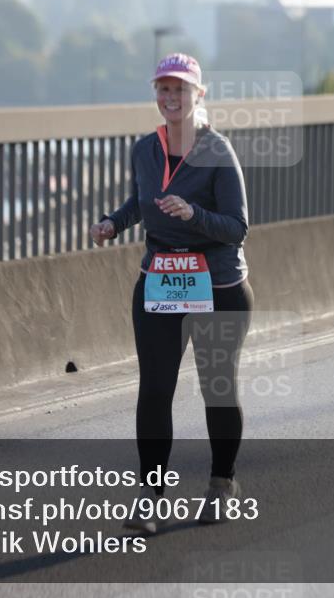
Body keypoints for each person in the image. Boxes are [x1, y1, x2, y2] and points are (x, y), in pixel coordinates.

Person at [89, 53, 252, 533]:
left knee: (216, 390)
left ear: (198, 96)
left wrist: (193, 215)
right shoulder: (144, 149)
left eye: (180, 90)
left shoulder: (218, 151)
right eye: (163, 89)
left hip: (217, 284)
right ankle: (150, 496)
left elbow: (238, 227)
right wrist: (113, 223)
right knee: (155, 391)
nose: (170, 97)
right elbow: (141, 200)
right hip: (161, 281)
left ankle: (222, 483)